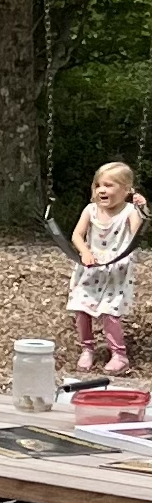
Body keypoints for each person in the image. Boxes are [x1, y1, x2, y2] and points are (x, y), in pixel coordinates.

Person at [70, 159, 145, 376]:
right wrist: (84, 252)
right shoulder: (91, 210)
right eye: (98, 185)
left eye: (109, 185)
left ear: (127, 190)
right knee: (81, 308)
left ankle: (119, 355)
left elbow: (138, 234)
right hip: (91, 268)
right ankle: (87, 349)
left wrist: (143, 210)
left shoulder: (130, 211)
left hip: (116, 270)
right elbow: (77, 235)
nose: (101, 190)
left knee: (109, 313)